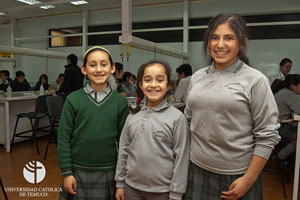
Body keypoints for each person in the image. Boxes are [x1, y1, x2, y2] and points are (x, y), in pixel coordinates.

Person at [183, 13, 280, 200]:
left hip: (237, 175)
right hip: (195, 169)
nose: (220, 45)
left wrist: (248, 180)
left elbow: (268, 135)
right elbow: (188, 119)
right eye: (214, 38)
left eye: (229, 38)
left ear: (242, 43)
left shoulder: (255, 80)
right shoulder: (197, 77)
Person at [57, 46, 129, 200]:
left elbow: (125, 142)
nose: (98, 70)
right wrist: (66, 173)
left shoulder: (120, 102)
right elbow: (63, 138)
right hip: (77, 170)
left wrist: (121, 178)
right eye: (92, 65)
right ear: (84, 69)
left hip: (109, 170)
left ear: (112, 68)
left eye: (104, 64)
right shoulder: (73, 99)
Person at [115, 60, 190, 200]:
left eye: (160, 80)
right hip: (131, 188)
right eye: (147, 80)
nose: (153, 85)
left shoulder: (177, 118)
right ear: (140, 85)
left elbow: (182, 159)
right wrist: (120, 183)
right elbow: (123, 151)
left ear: (168, 85)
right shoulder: (132, 116)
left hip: (163, 191)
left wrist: (176, 193)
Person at [273, 74, 300, 163]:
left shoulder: (282, 91)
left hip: (275, 125)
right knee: (299, 138)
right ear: (293, 86)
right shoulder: (289, 95)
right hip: (280, 127)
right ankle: (280, 157)